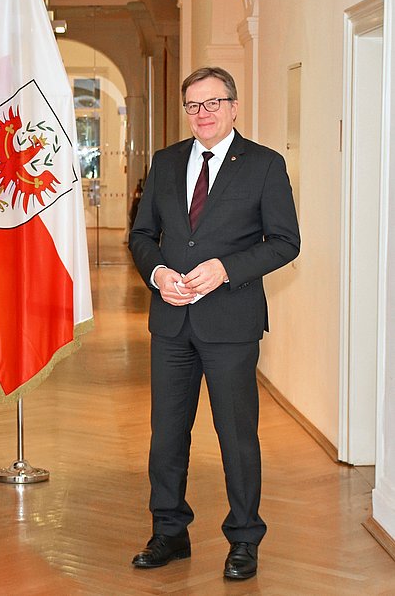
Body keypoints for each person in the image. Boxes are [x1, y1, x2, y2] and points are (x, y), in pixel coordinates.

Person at [128, 67, 300, 580]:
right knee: (167, 436)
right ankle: (169, 531)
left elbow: (285, 242)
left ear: (234, 106)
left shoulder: (266, 166)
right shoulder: (165, 162)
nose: (202, 113)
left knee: (236, 436)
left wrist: (226, 269)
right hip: (172, 323)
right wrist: (158, 273)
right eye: (194, 105)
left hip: (232, 324)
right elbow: (142, 235)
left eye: (213, 103)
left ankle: (244, 538)